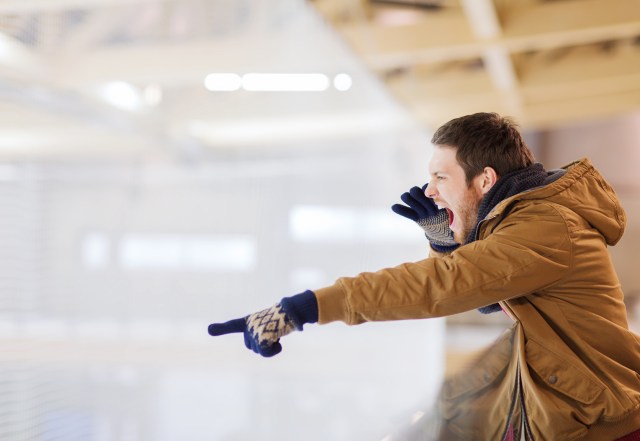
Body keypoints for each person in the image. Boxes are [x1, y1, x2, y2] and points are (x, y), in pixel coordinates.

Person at [208, 112, 640, 440]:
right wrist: (446, 241)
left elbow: (443, 286)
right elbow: (484, 293)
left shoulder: (544, 226)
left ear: (485, 180)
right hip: (576, 411)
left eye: (440, 177)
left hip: (604, 420)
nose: (430, 190)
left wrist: (303, 307)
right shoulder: (523, 221)